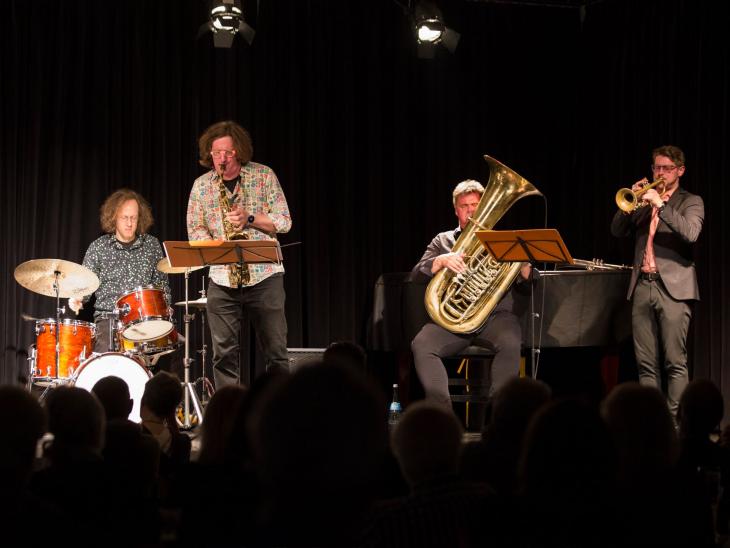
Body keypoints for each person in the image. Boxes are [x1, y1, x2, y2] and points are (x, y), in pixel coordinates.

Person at [411, 180, 536, 412]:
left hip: (495, 318)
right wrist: (440, 261)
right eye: (464, 205)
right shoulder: (442, 241)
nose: (470, 210)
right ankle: (443, 416)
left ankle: (499, 415)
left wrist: (526, 271)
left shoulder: (504, 242)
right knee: (422, 344)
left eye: (475, 205)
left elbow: (528, 287)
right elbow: (416, 275)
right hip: (453, 322)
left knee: (510, 343)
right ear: (456, 210)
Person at [187, 120, 292, 388]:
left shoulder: (263, 175)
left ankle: (278, 405)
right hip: (222, 278)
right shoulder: (201, 186)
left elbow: (284, 221)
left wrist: (250, 218)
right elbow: (195, 229)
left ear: (239, 151)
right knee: (223, 356)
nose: (221, 159)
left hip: (264, 275)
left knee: (276, 352)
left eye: (228, 152)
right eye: (216, 153)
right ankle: (230, 408)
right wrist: (216, 244)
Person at [610, 145, 704, 420]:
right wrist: (632, 202)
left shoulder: (691, 201)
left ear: (680, 171)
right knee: (646, 365)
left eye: (666, 168)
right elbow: (617, 230)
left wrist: (661, 205)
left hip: (674, 290)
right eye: (656, 168)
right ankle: (652, 422)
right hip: (643, 285)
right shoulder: (644, 203)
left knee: (675, 362)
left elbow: (691, 233)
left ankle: (676, 425)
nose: (660, 173)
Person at [69, 189, 171, 353]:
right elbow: (85, 284)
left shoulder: (151, 245)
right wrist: (77, 298)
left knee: (169, 350)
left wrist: (165, 311)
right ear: (114, 218)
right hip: (108, 320)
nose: (129, 223)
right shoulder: (99, 247)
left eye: (133, 218)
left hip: (143, 320)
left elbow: (162, 286)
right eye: (125, 217)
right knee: (108, 361)